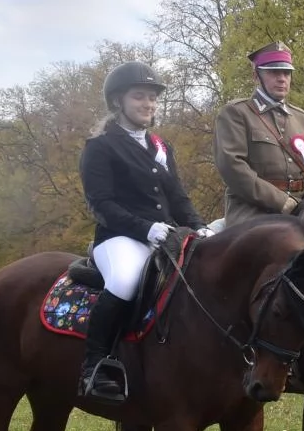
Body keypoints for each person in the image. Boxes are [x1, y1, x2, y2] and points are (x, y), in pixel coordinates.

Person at [78, 62, 212, 403]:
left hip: (165, 234)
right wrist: (145, 228)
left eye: (152, 98)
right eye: (140, 97)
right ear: (118, 101)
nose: (148, 104)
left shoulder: (161, 147)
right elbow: (101, 203)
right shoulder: (101, 146)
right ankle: (95, 365)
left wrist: (199, 227)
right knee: (124, 280)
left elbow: (177, 196)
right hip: (119, 237)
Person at [213, 42, 304, 226]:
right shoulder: (236, 113)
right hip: (253, 212)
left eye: (286, 73)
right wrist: (281, 201)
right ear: (256, 76)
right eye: (274, 72)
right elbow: (233, 168)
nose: (282, 78)